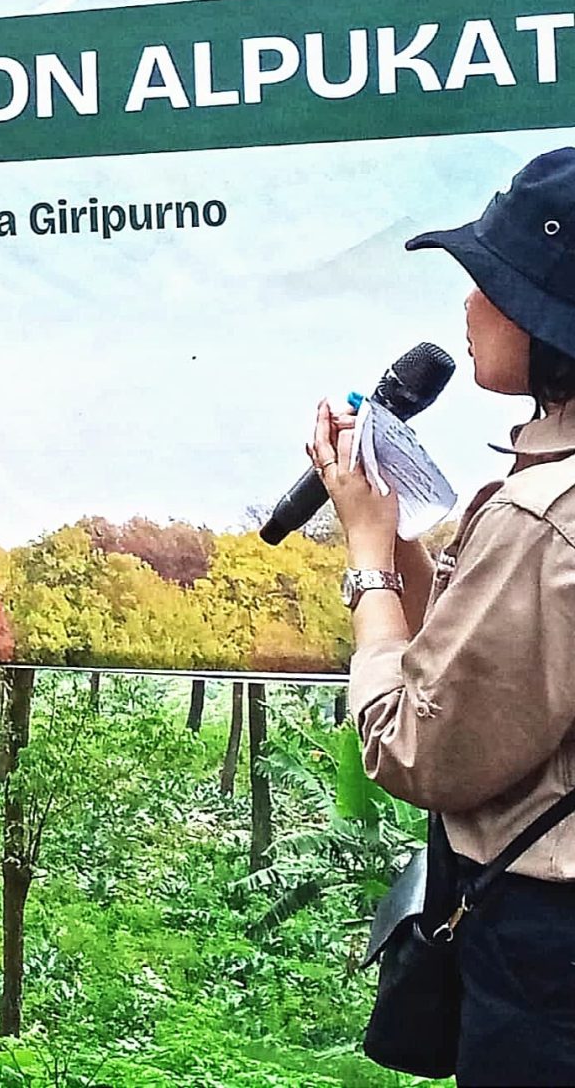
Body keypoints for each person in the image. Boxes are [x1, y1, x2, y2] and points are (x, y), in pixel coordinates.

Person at [309, 148, 575, 1086]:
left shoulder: (544, 520)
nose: (467, 306)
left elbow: (414, 743)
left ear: (552, 323)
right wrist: (408, 534)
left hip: (548, 971)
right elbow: (485, 660)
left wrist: (369, 564)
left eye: (489, 283)